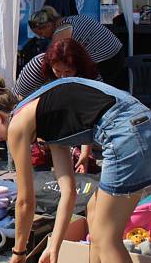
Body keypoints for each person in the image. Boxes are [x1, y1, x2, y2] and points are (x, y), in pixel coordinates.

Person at [0, 76, 151, 263]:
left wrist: (19, 251)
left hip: (129, 136)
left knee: (106, 237)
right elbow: (68, 192)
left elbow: (26, 201)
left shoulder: (17, 124)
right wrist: (54, 247)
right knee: (93, 209)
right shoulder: (45, 114)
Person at [14, 38, 102, 173]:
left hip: (72, 118)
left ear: (78, 68)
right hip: (35, 112)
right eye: (57, 71)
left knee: (83, 161)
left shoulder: (90, 76)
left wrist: (85, 153)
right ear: (50, 66)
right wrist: (37, 133)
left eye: (68, 72)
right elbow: (21, 102)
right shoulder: (37, 66)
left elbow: (90, 116)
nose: (62, 77)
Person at [29, 6, 127, 89]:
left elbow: (52, 59)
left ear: (48, 25)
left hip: (106, 60)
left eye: (41, 33)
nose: (42, 37)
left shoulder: (62, 30)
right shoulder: (72, 19)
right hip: (117, 52)